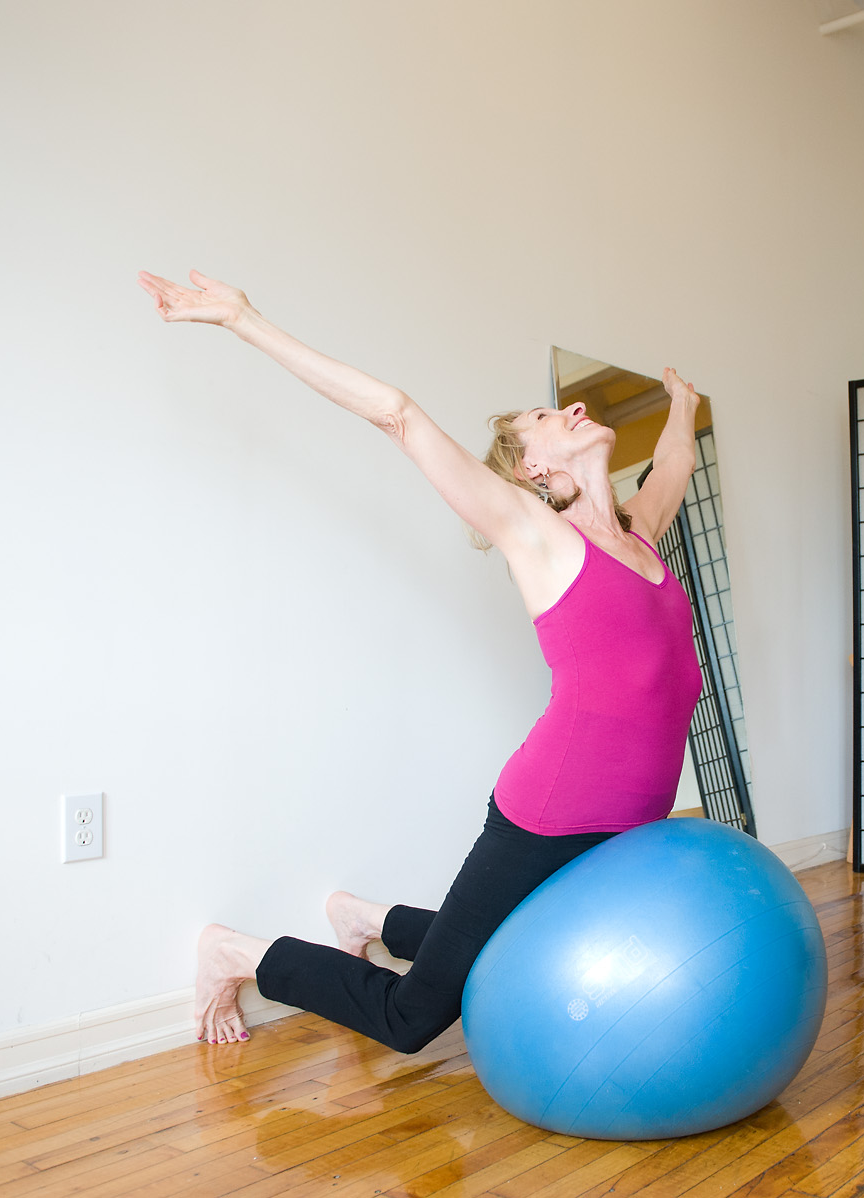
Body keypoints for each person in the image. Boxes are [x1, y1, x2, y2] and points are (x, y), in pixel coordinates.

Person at [136, 269, 706, 1050]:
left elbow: (676, 462)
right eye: (549, 416)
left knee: (513, 950)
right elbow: (397, 414)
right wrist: (242, 317)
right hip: (551, 814)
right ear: (531, 471)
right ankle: (238, 953)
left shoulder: (641, 535)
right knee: (414, 1018)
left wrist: (683, 402)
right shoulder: (537, 536)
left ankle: (365, 918)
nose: (574, 408)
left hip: (632, 823)